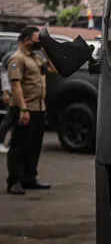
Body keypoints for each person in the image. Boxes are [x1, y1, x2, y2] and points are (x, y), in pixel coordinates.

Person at [5, 27, 53, 195]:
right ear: (26, 40)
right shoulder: (17, 59)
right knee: (19, 146)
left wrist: (47, 49)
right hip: (24, 109)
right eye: (36, 39)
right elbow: (16, 85)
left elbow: (53, 69)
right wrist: (23, 109)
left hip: (39, 109)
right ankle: (14, 181)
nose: (39, 41)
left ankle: (29, 178)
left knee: (34, 146)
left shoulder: (37, 58)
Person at [0, 47, 17, 153]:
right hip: (12, 91)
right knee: (9, 118)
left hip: (22, 92)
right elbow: (4, 74)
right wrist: (6, 92)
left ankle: (13, 143)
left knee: (16, 120)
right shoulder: (11, 56)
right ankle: (0, 141)